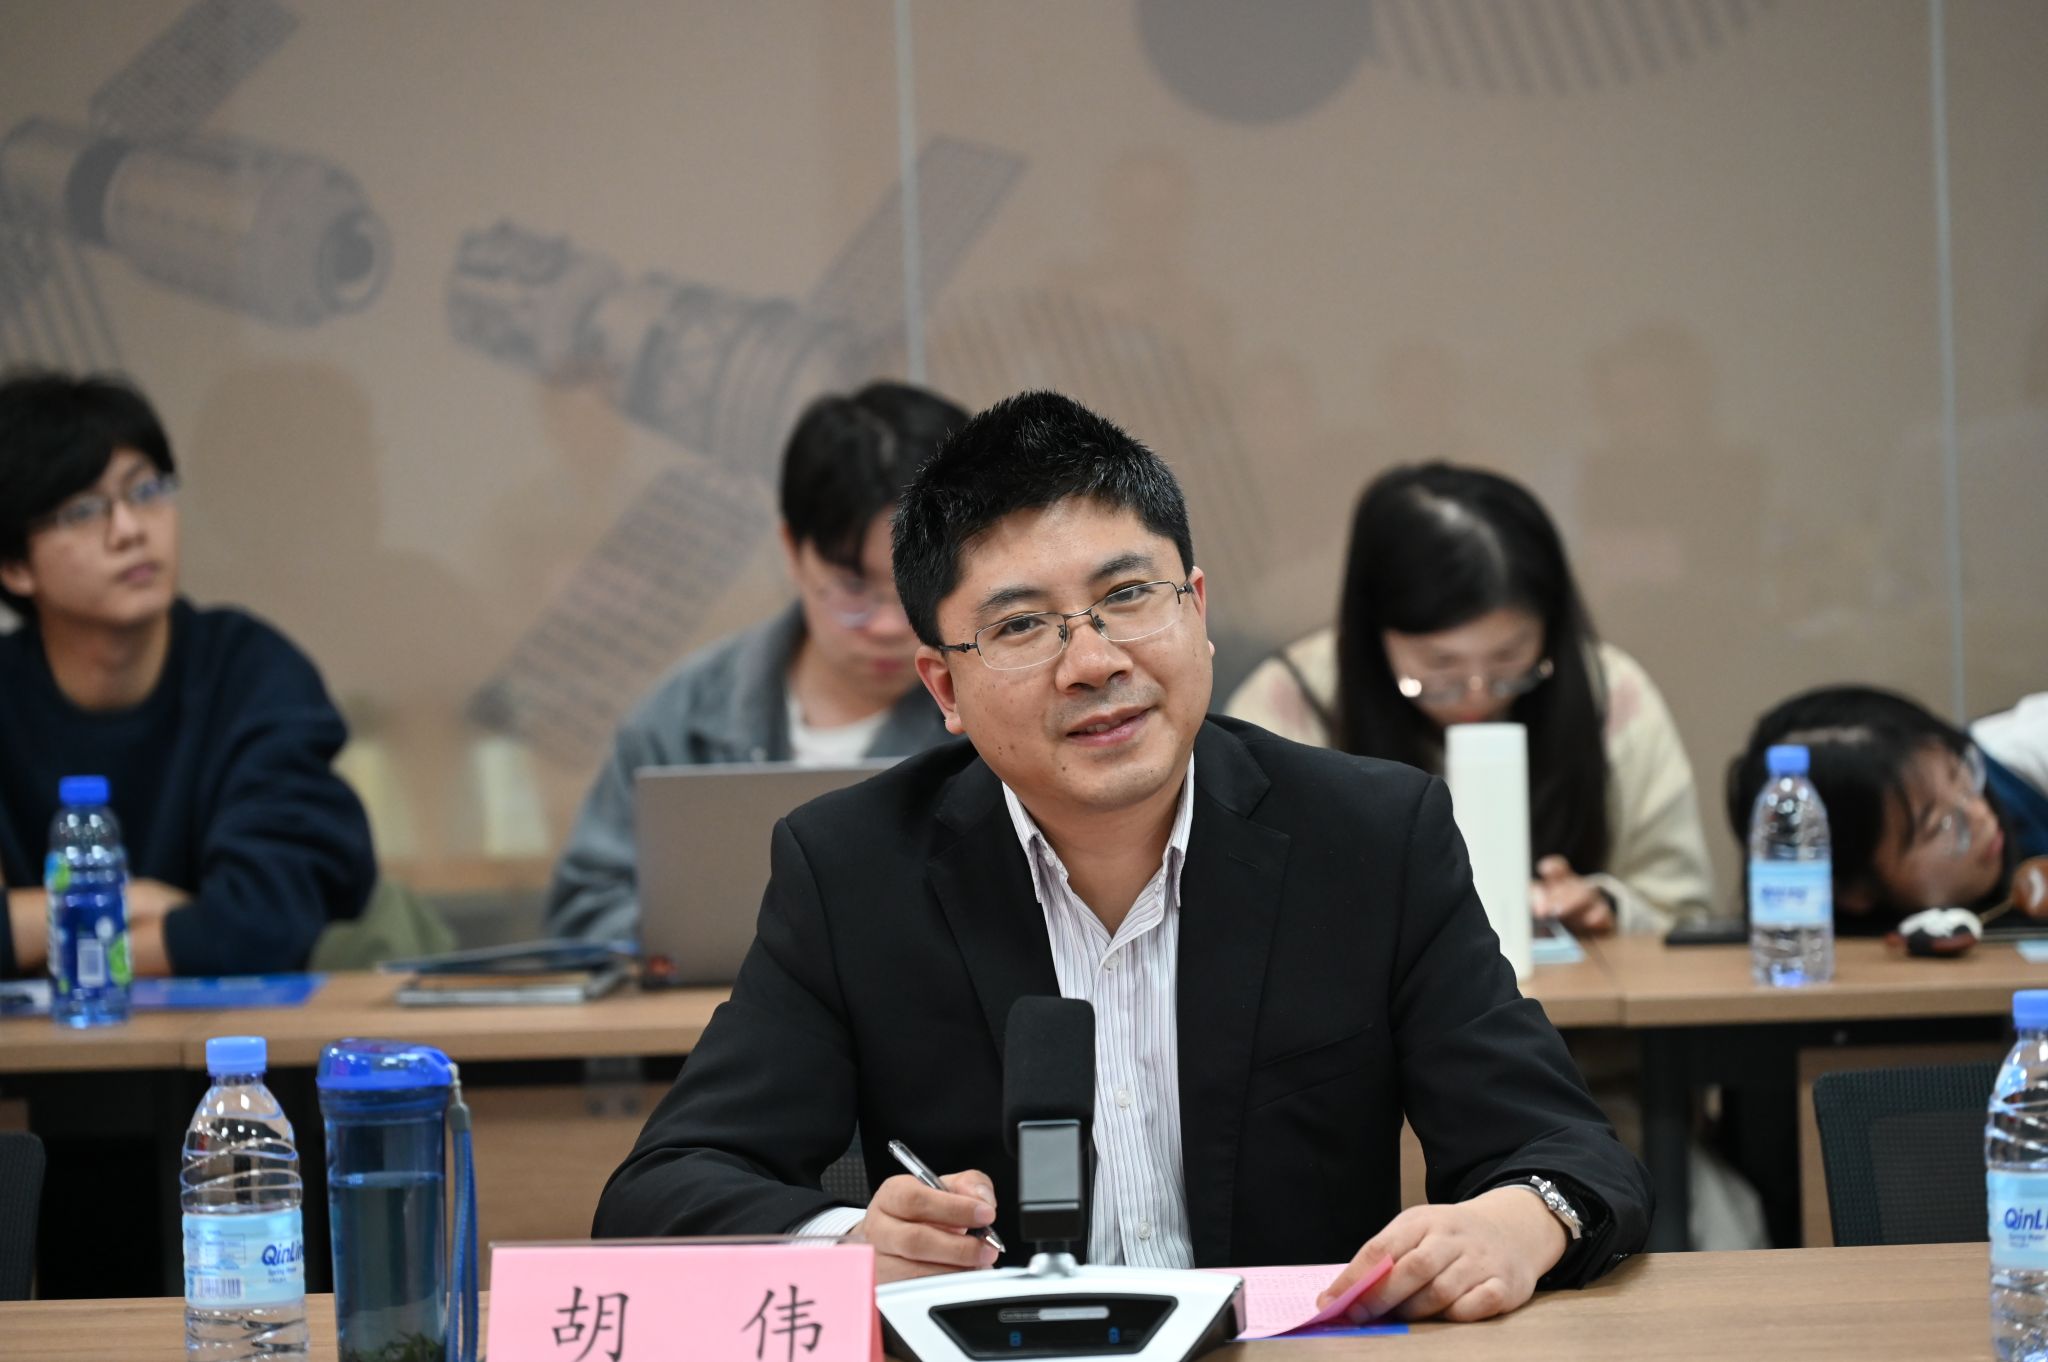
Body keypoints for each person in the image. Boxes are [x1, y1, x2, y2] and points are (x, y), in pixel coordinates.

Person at [597, 391, 1649, 1321]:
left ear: (1197, 610)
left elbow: (1564, 1151)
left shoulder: (1371, 836)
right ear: (944, 688)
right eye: (1020, 626)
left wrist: (1514, 1224)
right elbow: (663, 1190)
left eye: (1129, 597)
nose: (1093, 662)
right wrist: (848, 1247)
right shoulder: (852, 871)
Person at [545, 382, 965, 943]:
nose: (890, 625)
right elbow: (583, 913)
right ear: (793, 550)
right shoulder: (684, 716)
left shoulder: (1001, 709)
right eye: (852, 587)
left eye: (917, 589)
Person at [1226, 462, 1713, 938]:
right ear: (1375, 634)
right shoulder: (1291, 703)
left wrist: (1608, 907)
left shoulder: (1611, 695)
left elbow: (1682, 909)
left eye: (1509, 657)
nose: (1477, 693)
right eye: (1441, 664)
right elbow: (1233, 907)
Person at [0, 369, 376, 977]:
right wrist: (137, 906)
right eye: (84, 511)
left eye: (146, 491)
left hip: (241, 1040)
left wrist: (41, 936)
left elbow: (260, 927)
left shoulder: (254, 676)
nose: (130, 530)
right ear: (15, 566)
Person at [1727, 685, 2048, 928]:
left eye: (1963, 776)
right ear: (1850, 890)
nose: (1980, 814)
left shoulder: (2026, 757)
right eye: (1939, 825)